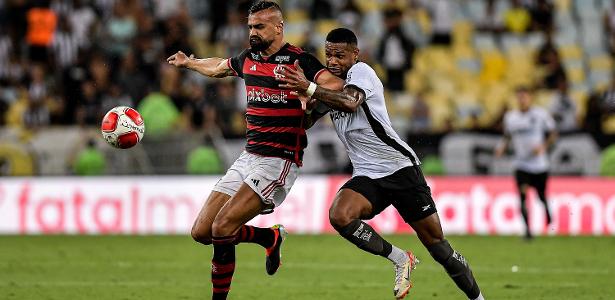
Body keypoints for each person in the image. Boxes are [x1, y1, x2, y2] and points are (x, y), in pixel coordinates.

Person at [277, 28, 484, 300]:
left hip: (399, 168)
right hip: (368, 175)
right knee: (340, 215)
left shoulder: (362, 73)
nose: (333, 61)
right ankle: (400, 258)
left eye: (340, 55)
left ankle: (478, 298)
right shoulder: (330, 88)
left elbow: (351, 102)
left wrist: (310, 87)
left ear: (355, 54)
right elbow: (305, 122)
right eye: (328, 55)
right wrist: (303, 103)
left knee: (438, 247)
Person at [166, 2, 342, 299]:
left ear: (278, 27)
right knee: (202, 231)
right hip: (249, 156)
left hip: (279, 159)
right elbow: (220, 66)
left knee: (223, 226)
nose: (252, 32)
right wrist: (191, 63)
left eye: (259, 26)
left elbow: (337, 86)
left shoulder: (300, 61)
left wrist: (309, 90)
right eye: (250, 26)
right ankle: (268, 237)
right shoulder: (249, 58)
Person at [495, 87, 557, 240]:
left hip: (539, 165)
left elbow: (553, 133)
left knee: (541, 195)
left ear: (530, 98)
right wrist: (502, 147)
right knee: (522, 196)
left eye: (524, 97)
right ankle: (528, 231)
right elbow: (508, 136)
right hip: (521, 164)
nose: (522, 100)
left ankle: (547, 211)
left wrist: (543, 147)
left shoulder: (540, 114)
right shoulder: (511, 117)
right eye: (519, 97)